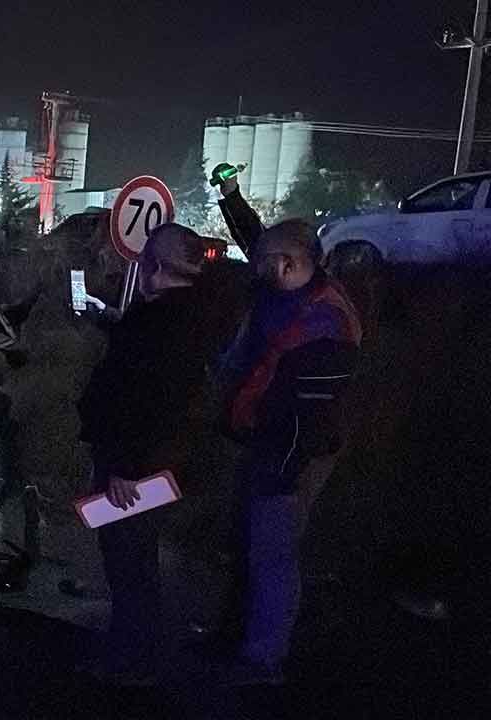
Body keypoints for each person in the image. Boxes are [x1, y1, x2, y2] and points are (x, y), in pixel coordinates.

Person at [212, 167, 363, 682]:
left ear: (289, 264)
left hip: (292, 453)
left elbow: (309, 415)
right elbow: (257, 239)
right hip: (263, 439)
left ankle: (264, 660)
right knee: (247, 542)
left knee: (273, 552)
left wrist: (282, 472)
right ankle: (236, 637)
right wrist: (231, 196)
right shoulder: (288, 281)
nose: (253, 270)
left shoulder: (329, 325)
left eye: (263, 265)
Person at [75, 223, 232, 683]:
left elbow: (148, 399)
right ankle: (132, 649)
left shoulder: (163, 324)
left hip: (135, 468)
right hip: (153, 462)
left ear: (156, 267)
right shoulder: (186, 315)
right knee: (134, 558)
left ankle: (131, 657)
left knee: (130, 561)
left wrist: (125, 467)